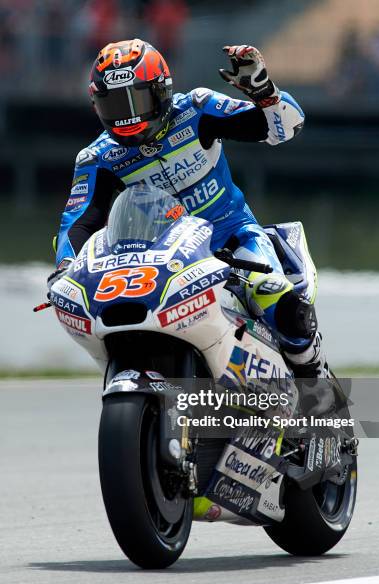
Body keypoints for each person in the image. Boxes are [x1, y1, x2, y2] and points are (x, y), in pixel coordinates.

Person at [49, 39, 328, 380]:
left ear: (161, 91)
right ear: (96, 106)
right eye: (114, 105)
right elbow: (79, 223)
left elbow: (284, 129)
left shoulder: (198, 109)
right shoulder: (97, 158)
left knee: (278, 298)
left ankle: (318, 389)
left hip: (232, 240)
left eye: (136, 100)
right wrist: (65, 267)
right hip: (157, 258)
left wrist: (262, 91)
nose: (127, 117)